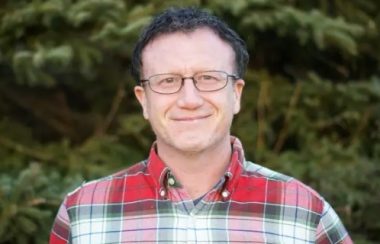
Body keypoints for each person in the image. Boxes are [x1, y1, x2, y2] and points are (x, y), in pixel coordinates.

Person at [50, 7, 352, 243]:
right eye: (168, 81)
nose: (190, 99)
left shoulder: (305, 214)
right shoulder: (83, 214)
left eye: (208, 78)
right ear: (144, 100)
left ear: (236, 94)